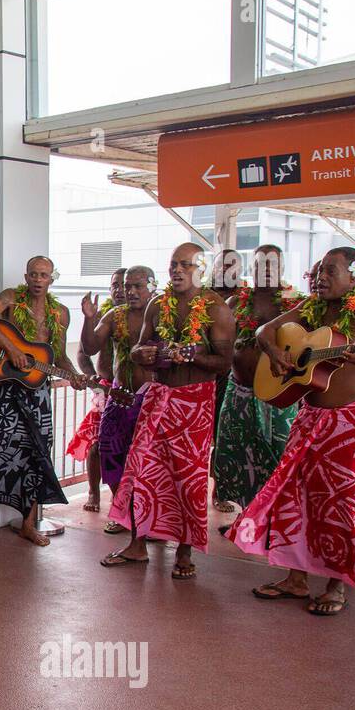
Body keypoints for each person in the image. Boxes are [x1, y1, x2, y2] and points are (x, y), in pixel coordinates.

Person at [231, 247, 355, 615]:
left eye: (329, 271)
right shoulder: (312, 307)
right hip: (310, 414)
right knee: (297, 497)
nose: (319, 278)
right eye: (317, 271)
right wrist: (276, 353)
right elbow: (267, 329)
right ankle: (295, 579)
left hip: (352, 421)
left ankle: (335, 585)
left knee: (342, 502)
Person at [100, 242, 234, 580]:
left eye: (185, 265)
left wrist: (191, 356)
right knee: (142, 469)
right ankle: (137, 543)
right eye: (174, 264)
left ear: (200, 268)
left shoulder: (216, 308)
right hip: (158, 397)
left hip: (194, 402)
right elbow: (138, 348)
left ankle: (185, 552)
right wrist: (142, 355)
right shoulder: (157, 306)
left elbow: (224, 363)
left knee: (187, 479)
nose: (177, 270)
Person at [0, 256, 86, 545]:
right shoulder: (11, 298)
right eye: (33, 274)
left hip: (38, 392)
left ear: (52, 279)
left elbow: (58, 355)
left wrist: (74, 375)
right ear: (26, 276)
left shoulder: (59, 313)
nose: (37, 279)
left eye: (43, 275)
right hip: (6, 388)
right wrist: (11, 350)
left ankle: (28, 523)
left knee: (37, 454)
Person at [210, 245, 302, 513]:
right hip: (237, 390)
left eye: (272, 264)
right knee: (235, 454)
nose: (266, 269)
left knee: (277, 456)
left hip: (278, 395)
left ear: (282, 269)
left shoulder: (295, 304)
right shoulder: (235, 303)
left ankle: (273, 518)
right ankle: (244, 515)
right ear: (252, 268)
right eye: (260, 263)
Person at [81, 265, 157, 534]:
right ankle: (122, 510)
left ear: (153, 285)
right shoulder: (115, 315)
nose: (131, 291)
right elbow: (89, 348)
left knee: (150, 463)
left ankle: (150, 520)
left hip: (153, 399)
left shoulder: (163, 312)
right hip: (118, 396)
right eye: (128, 287)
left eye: (138, 286)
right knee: (109, 453)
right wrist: (89, 319)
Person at [66, 267, 126, 512]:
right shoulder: (104, 315)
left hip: (132, 391)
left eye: (125, 284)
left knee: (127, 448)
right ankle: (93, 492)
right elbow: (83, 352)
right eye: (115, 284)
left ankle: (122, 501)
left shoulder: (145, 314)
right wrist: (92, 379)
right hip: (104, 388)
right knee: (97, 444)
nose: (120, 289)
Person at [209, 248, 242, 513]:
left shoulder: (245, 299)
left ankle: (219, 490)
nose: (227, 270)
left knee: (223, 438)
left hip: (230, 377)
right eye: (223, 265)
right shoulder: (203, 296)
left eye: (234, 266)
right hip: (201, 375)